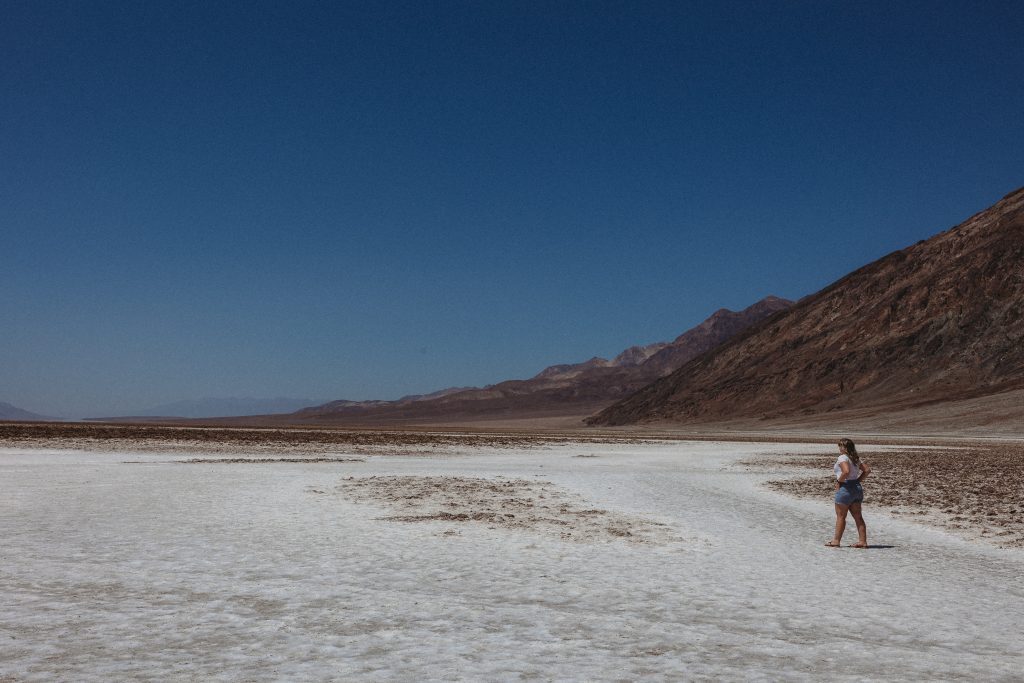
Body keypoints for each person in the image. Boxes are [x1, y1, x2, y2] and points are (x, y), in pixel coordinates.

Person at [825, 438, 870, 548]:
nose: (839, 448)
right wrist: (857, 481)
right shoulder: (854, 458)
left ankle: (836, 541)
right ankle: (862, 541)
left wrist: (839, 482)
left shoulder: (842, 457)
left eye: (841, 446)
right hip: (857, 488)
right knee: (858, 516)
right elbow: (867, 470)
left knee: (841, 516)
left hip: (846, 488)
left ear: (845, 448)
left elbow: (846, 471)